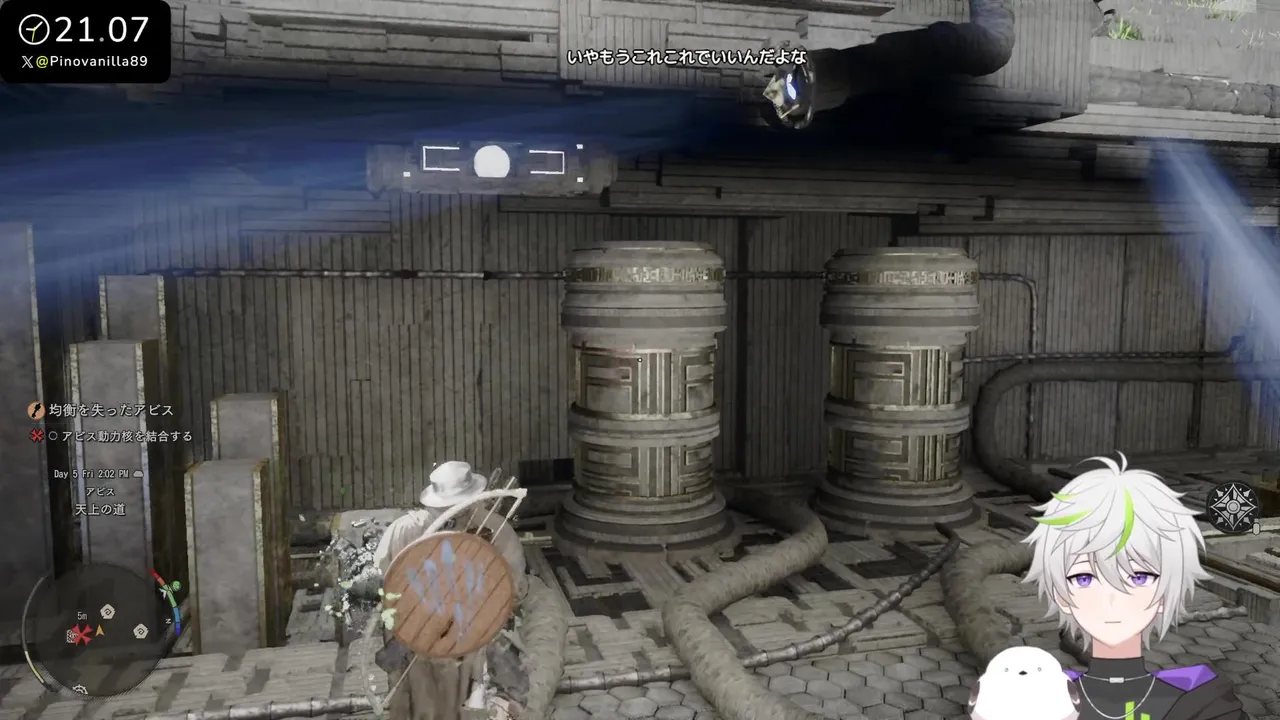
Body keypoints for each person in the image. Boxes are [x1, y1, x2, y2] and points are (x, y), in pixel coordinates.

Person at [1022, 453, 1248, 720]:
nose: (1112, 600)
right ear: (1061, 594)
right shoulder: (1038, 700)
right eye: (1085, 579)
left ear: (1165, 592)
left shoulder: (1205, 701)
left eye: (1138, 578)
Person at [372, 461, 528, 720]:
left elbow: (514, 588)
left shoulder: (494, 528)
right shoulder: (407, 529)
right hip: (422, 631)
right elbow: (384, 582)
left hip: (475, 629)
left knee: (500, 672)